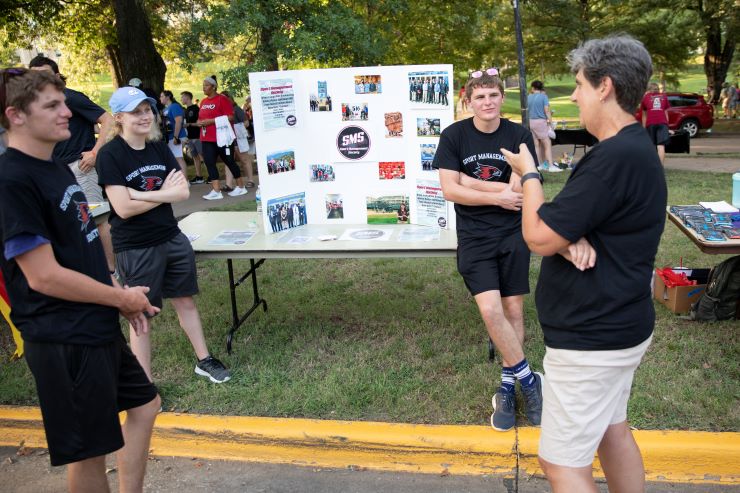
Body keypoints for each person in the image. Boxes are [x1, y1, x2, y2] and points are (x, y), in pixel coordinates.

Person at [500, 35, 667, 492]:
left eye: (578, 84)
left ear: (605, 87)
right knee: (612, 431)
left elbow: (537, 235)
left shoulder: (612, 159)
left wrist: (529, 174)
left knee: (562, 464)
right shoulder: (635, 149)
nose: (572, 95)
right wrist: (568, 236)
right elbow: (582, 219)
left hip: (592, 340)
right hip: (621, 326)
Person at [0, 67, 160, 492]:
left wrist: (119, 295)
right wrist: (118, 299)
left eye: (64, 101)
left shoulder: (53, 166)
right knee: (91, 452)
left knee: (145, 405)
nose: (67, 112)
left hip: (95, 323)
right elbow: (44, 276)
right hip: (62, 335)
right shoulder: (12, 180)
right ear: (15, 115)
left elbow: (80, 248)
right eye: (52, 105)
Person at [96, 86, 232, 385]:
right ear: (119, 118)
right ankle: (144, 382)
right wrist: (162, 193)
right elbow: (123, 208)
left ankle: (204, 360)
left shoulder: (157, 147)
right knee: (141, 315)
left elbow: (182, 191)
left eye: (147, 110)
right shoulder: (110, 155)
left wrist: (139, 193)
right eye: (136, 112)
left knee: (185, 301)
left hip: (171, 236)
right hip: (135, 245)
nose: (145, 116)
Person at [433, 67, 542, 432]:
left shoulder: (518, 134)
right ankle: (530, 381)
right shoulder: (454, 136)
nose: (487, 102)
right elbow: (450, 190)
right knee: (491, 309)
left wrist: (470, 182)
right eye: (479, 97)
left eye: (493, 95)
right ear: (468, 102)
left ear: (502, 98)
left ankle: (507, 386)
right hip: (475, 238)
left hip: (514, 234)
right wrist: (494, 196)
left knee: (514, 309)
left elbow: (518, 190)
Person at [28, 55, 116, 271]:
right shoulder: (35, 105)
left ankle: (112, 272)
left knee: (98, 219)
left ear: (57, 77)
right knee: (70, 223)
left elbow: (108, 119)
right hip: (55, 172)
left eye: (45, 75)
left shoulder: (71, 98)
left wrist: (95, 152)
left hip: (81, 168)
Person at [196, 75, 248, 200]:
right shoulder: (203, 102)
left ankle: (241, 187)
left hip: (222, 138)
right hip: (206, 138)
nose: (204, 88)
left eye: (207, 85)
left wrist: (211, 121)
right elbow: (201, 117)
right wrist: (199, 121)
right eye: (203, 85)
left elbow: (230, 117)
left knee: (229, 161)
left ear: (214, 87)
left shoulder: (222, 99)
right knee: (209, 162)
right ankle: (216, 190)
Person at [220, 90, 255, 189]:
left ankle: (250, 180)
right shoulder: (221, 111)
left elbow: (246, 123)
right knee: (228, 161)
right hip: (227, 139)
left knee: (244, 159)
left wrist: (235, 128)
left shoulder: (236, 109)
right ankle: (229, 184)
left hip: (238, 139)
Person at [527, 80, 555, 170]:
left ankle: (539, 165)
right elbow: (546, 111)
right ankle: (551, 166)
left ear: (533, 88)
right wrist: (551, 123)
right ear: (541, 87)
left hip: (531, 122)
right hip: (540, 122)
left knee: (536, 144)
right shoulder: (544, 97)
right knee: (547, 143)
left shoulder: (528, 97)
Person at [641, 82, 671, 164]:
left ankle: (652, 165)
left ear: (648, 89)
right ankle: (660, 167)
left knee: (652, 146)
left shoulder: (645, 97)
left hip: (650, 123)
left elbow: (644, 115)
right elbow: (666, 112)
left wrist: (644, 128)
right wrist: (667, 126)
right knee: (661, 146)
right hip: (662, 123)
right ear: (657, 89)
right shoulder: (664, 97)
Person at [181, 90, 206, 183]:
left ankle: (212, 176)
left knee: (203, 156)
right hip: (190, 138)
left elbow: (200, 123)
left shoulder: (195, 109)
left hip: (198, 137)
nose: (181, 99)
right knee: (195, 157)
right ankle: (199, 177)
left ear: (187, 98)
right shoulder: (185, 110)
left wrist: (189, 124)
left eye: (182, 97)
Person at [160, 90, 187, 173]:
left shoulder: (174, 106)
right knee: (174, 159)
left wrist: (176, 136)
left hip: (177, 136)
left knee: (179, 158)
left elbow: (178, 121)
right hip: (169, 137)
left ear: (168, 97)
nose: (160, 98)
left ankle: (185, 182)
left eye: (162, 96)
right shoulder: (165, 109)